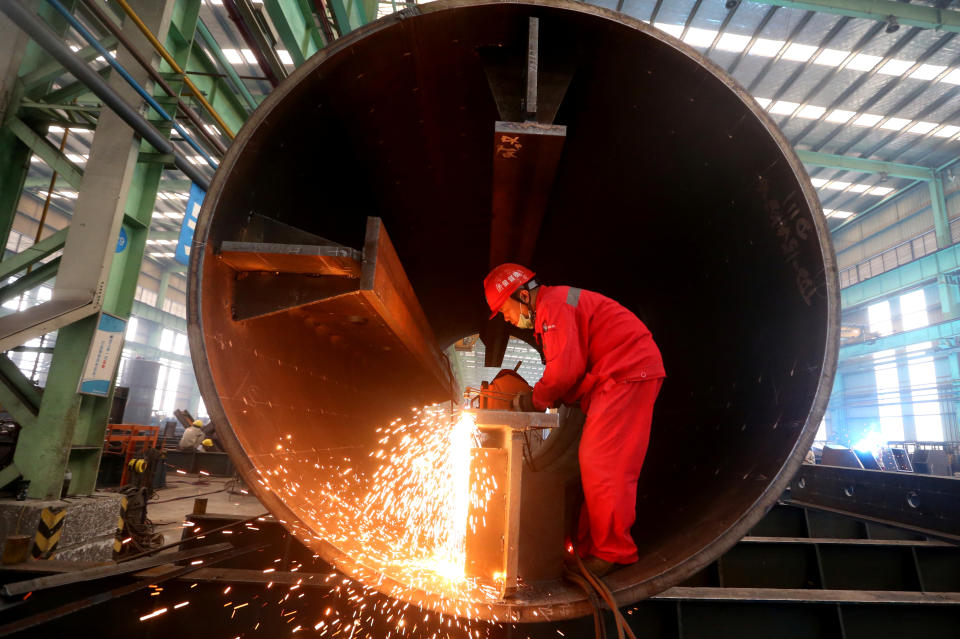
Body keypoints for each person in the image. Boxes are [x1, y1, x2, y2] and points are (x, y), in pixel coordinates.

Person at [484, 263, 665, 576]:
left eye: (505, 310)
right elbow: (572, 371)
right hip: (611, 378)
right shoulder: (553, 309)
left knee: (603, 462)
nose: (508, 319)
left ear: (522, 296)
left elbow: (564, 371)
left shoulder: (554, 307)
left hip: (626, 372)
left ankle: (612, 551)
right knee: (591, 461)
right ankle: (587, 547)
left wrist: (533, 400)